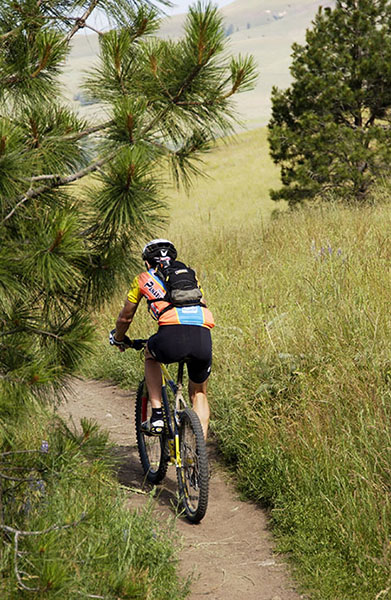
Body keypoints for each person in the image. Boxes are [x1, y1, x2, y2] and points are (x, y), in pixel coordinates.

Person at [110, 239, 214, 439]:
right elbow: (202, 303)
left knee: (150, 353)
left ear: (148, 262)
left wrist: (119, 338)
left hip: (171, 335)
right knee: (199, 393)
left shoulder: (143, 278)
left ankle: (157, 416)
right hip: (202, 333)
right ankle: (198, 456)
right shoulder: (189, 275)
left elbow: (125, 317)